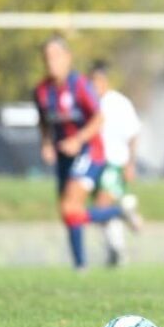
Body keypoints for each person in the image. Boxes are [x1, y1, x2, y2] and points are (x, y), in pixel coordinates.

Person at [33, 35, 136, 270]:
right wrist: (46, 143)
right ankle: (81, 264)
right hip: (63, 156)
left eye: (56, 56)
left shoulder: (79, 85)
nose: (51, 62)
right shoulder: (41, 91)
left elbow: (99, 118)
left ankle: (115, 213)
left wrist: (78, 140)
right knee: (68, 212)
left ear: (67, 58)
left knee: (70, 207)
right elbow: (43, 122)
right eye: (47, 57)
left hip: (89, 152)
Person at [89, 60, 143, 266]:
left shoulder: (118, 103)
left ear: (104, 80)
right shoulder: (90, 103)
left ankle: (116, 248)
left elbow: (134, 134)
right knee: (102, 209)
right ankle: (116, 248)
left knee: (102, 204)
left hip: (114, 162)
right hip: (94, 163)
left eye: (96, 81)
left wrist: (130, 163)